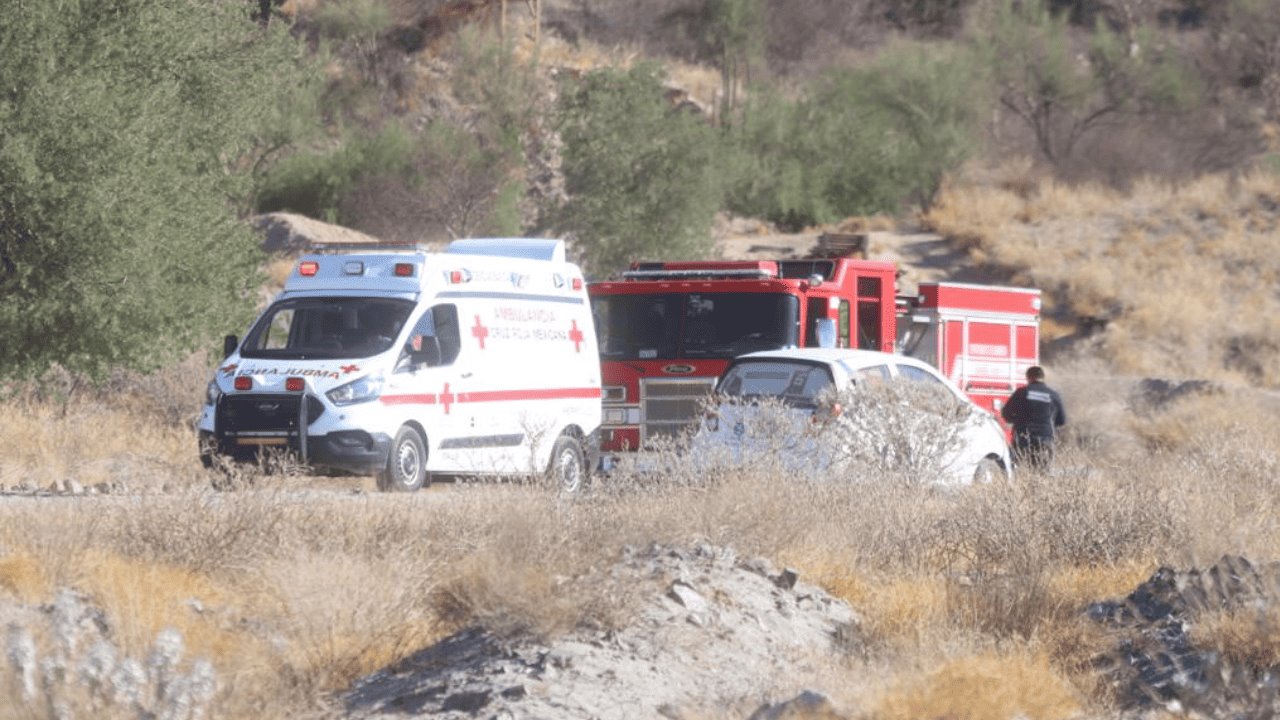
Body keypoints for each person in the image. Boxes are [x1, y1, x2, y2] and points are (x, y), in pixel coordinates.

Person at [1001, 366, 1067, 470]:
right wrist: (1047, 424)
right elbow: (1062, 420)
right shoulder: (1053, 395)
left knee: (1019, 471)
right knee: (1042, 472)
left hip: (1023, 439)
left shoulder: (1021, 393)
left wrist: (1017, 420)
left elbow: (1006, 414)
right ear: (1043, 377)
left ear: (1028, 377)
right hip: (1045, 440)